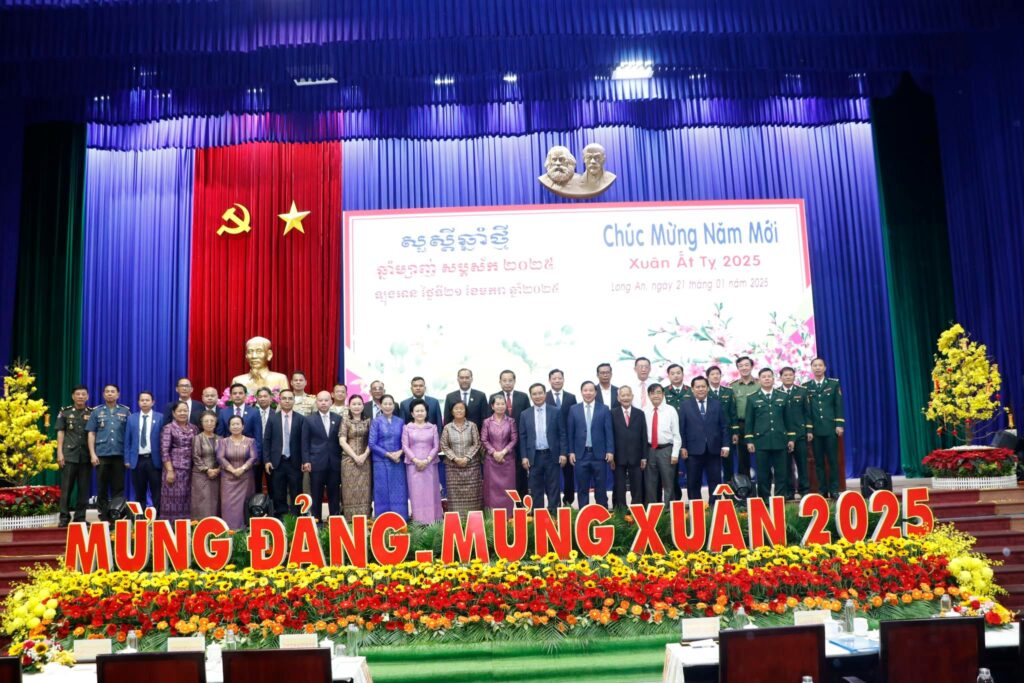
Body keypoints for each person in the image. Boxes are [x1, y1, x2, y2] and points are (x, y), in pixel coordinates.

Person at [743, 368, 797, 500]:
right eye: (764, 377)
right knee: (763, 473)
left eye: (769, 376)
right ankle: (765, 499)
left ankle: (780, 499)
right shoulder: (752, 398)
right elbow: (749, 422)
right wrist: (749, 440)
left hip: (780, 440)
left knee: (781, 473)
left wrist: (791, 438)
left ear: (773, 379)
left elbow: (789, 420)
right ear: (759, 380)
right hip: (761, 441)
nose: (767, 379)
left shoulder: (783, 396)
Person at [678, 377, 731, 503]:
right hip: (693, 450)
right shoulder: (685, 406)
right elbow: (682, 428)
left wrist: (725, 445)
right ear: (692, 389)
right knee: (693, 481)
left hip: (714, 449)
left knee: (715, 480)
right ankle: (696, 507)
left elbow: (724, 426)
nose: (700, 389)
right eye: (697, 387)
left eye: (703, 386)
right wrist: (683, 446)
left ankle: (715, 506)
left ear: (707, 388)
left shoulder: (716, 404)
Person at [519, 383, 567, 513]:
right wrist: (524, 457)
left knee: (553, 486)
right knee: (535, 488)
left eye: (540, 393)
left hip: (552, 455)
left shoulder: (556, 411)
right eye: (534, 394)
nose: (538, 396)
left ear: (545, 394)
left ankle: (554, 514)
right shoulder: (525, 414)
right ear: (531, 396)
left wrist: (563, 453)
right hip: (534, 456)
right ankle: (538, 514)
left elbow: (562, 433)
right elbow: (522, 437)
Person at [85, 384, 130, 521]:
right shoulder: (96, 412)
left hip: (119, 454)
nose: (110, 394)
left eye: (113, 391)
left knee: (118, 487)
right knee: (102, 487)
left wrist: (128, 456)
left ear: (118, 394)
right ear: (103, 394)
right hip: (102, 455)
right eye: (107, 391)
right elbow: (91, 433)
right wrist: (92, 454)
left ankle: (117, 514)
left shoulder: (125, 411)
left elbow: (129, 434)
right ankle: (104, 515)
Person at [566, 382, 614, 508]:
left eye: (591, 390)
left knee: (601, 487)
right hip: (581, 455)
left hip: (599, 455)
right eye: (585, 390)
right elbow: (570, 433)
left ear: (596, 392)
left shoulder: (604, 409)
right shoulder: (574, 409)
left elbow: (608, 432)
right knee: (582, 487)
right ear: (581, 392)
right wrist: (571, 452)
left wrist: (610, 450)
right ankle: (583, 512)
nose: (588, 393)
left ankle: (602, 512)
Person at [805, 358, 845, 498]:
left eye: (820, 365)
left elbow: (838, 405)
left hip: (830, 428)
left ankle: (834, 489)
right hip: (815, 431)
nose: (817, 368)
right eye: (815, 365)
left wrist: (839, 424)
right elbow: (807, 411)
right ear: (811, 368)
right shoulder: (806, 386)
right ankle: (822, 490)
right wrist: (809, 430)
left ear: (825, 368)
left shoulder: (833, 384)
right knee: (819, 462)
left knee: (833, 461)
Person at [262, 389, 304, 518]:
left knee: (296, 491)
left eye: (290, 398)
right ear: (279, 400)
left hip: (295, 462)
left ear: (294, 401)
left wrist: (304, 460)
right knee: (278, 492)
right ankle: (281, 518)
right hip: (277, 462)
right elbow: (266, 440)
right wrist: (267, 460)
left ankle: (296, 517)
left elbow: (304, 442)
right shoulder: (272, 419)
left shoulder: (301, 419)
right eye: (284, 398)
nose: (287, 401)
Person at [301, 391, 343, 520]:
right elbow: (304, 442)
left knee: (334, 492)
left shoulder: (338, 418)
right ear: (316, 402)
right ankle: (316, 519)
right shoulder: (309, 420)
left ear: (331, 402)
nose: (323, 403)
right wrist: (306, 461)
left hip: (334, 462)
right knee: (316, 492)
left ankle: (335, 519)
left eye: (326, 400)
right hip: (316, 462)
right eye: (320, 400)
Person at [55, 385, 92, 527]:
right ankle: (64, 518)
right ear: (73, 396)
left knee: (83, 489)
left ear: (87, 396)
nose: (81, 396)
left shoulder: (92, 413)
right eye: (78, 394)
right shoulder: (65, 412)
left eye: (83, 394)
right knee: (66, 489)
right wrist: (59, 453)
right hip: (69, 455)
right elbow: (61, 432)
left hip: (85, 456)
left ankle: (80, 517)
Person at [439, 400, 482, 516]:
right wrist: (455, 458)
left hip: (472, 467)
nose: (459, 411)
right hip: (453, 468)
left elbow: (477, 443)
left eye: (461, 408)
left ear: (465, 411)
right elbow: (444, 445)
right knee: (455, 497)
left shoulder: (472, 426)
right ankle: (456, 521)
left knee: (474, 496)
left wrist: (467, 458)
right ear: (452, 412)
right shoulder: (447, 427)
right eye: (456, 408)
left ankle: (474, 521)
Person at [216, 415, 258, 529]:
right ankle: (229, 530)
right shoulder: (223, 442)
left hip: (245, 479)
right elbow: (220, 457)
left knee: (244, 505)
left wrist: (242, 469)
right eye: (233, 424)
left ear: (243, 426)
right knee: (228, 505)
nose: (235, 426)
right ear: (229, 427)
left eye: (238, 424)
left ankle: (243, 531)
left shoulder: (250, 441)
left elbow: (253, 457)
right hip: (228, 479)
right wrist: (233, 470)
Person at [124, 391, 164, 512]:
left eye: (147, 400)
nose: (144, 402)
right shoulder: (131, 418)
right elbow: (127, 440)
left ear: (153, 402)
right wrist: (127, 459)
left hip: (154, 460)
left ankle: (157, 516)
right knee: (139, 491)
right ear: (138, 402)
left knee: (156, 491)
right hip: (137, 460)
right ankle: (140, 516)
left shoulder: (160, 417)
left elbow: (164, 440)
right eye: (142, 400)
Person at [404, 399, 442, 523]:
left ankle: (433, 522)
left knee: (431, 493)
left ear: (426, 412)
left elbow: (436, 446)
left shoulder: (432, 427)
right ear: (412, 413)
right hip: (413, 465)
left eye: (422, 410)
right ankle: (418, 522)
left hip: (430, 464)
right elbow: (405, 446)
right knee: (416, 493)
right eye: (417, 411)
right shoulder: (407, 428)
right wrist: (416, 460)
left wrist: (427, 460)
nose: (420, 413)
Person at [369, 395, 407, 519]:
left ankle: (401, 519)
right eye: (385, 404)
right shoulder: (376, 421)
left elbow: (405, 441)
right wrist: (388, 454)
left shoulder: (400, 421)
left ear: (394, 405)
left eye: (390, 404)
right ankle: (382, 520)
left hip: (398, 461)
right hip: (381, 461)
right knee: (382, 491)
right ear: (380, 406)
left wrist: (400, 452)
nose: (388, 406)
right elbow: (372, 444)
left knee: (398, 490)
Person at [159, 401, 198, 521]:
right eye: (179, 411)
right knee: (172, 499)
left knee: (187, 499)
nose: (183, 413)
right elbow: (164, 451)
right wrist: (170, 471)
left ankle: (186, 526)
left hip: (190, 470)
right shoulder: (169, 428)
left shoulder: (194, 428)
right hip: (174, 469)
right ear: (173, 413)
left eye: (185, 410)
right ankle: (170, 526)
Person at [480, 394, 518, 512]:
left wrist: (503, 452)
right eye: (497, 404)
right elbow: (484, 440)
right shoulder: (487, 422)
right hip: (491, 461)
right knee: (491, 490)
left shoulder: (511, 421)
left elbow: (514, 439)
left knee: (508, 489)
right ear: (492, 406)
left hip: (507, 460)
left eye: (503, 404)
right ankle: (491, 517)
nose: (500, 406)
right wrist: (494, 453)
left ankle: (508, 516)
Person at [611, 386, 647, 508]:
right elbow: (610, 436)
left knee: (637, 486)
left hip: (636, 457)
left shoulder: (640, 414)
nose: (625, 398)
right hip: (618, 457)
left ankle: (637, 510)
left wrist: (644, 457)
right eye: (623, 395)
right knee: (619, 486)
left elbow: (643, 436)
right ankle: (620, 511)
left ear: (632, 397)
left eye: (628, 395)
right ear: (618, 398)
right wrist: (612, 456)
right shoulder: (612, 413)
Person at [644, 384, 681, 504]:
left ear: (663, 394)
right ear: (649, 395)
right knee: (651, 483)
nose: (656, 395)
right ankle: (653, 509)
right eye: (652, 393)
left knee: (668, 482)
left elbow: (676, 434)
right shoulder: (644, 411)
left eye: (658, 392)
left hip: (666, 450)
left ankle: (668, 510)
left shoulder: (670, 410)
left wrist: (675, 454)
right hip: (650, 450)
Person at [545, 369, 577, 505]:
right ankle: (553, 503)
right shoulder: (544, 396)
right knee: (551, 476)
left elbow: (574, 418)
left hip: (567, 440)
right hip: (550, 442)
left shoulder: (571, 397)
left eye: (560, 378)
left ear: (563, 379)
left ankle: (568, 502)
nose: (557, 380)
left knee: (568, 474)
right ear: (549, 380)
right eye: (554, 378)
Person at [779, 366, 811, 499]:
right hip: (783, 435)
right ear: (780, 377)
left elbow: (807, 412)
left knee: (802, 464)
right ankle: (789, 491)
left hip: (800, 434)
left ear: (794, 376)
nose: (788, 377)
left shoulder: (802, 391)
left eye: (790, 375)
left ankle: (805, 490)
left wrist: (809, 430)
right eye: (785, 375)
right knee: (786, 466)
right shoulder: (777, 393)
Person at [339, 394, 372, 518]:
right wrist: (355, 457)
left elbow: (372, 441)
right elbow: (342, 441)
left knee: (365, 490)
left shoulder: (368, 421)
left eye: (359, 404)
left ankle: (365, 518)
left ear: (363, 406)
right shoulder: (345, 420)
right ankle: (349, 518)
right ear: (349, 406)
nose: (356, 406)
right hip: (348, 460)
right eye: (354, 404)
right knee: (349, 489)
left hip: (365, 460)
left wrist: (364, 455)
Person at [729, 356, 760, 479]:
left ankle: (763, 487)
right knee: (742, 458)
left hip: (758, 424)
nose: (744, 368)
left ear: (752, 366)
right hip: (741, 424)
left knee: (761, 456)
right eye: (741, 366)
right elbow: (732, 409)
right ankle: (745, 487)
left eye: (747, 365)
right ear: (737, 368)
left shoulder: (759, 384)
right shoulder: (733, 386)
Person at [190, 410, 221, 519]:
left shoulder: (220, 439)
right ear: (201, 423)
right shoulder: (197, 438)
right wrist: (207, 470)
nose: (209, 423)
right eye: (206, 421)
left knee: (215, 501)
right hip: (201, 475)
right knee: (201, 502)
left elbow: (223, 457)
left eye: (212, 421)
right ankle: (199, 525)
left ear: (215, 423)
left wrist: (218, 470)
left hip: (217, 475)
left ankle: (215, 525)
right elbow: (196, 456)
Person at [243, 387, 274, 493]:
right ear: (256, 399)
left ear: (271, 398)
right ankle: (256, 503)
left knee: (273, 484)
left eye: (265, 396)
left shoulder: (276, 414)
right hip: (254, 453)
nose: (262, 399)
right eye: (260, 396)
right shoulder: (251, 414)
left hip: (271, 455)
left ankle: (272, 503)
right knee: (255, 485)